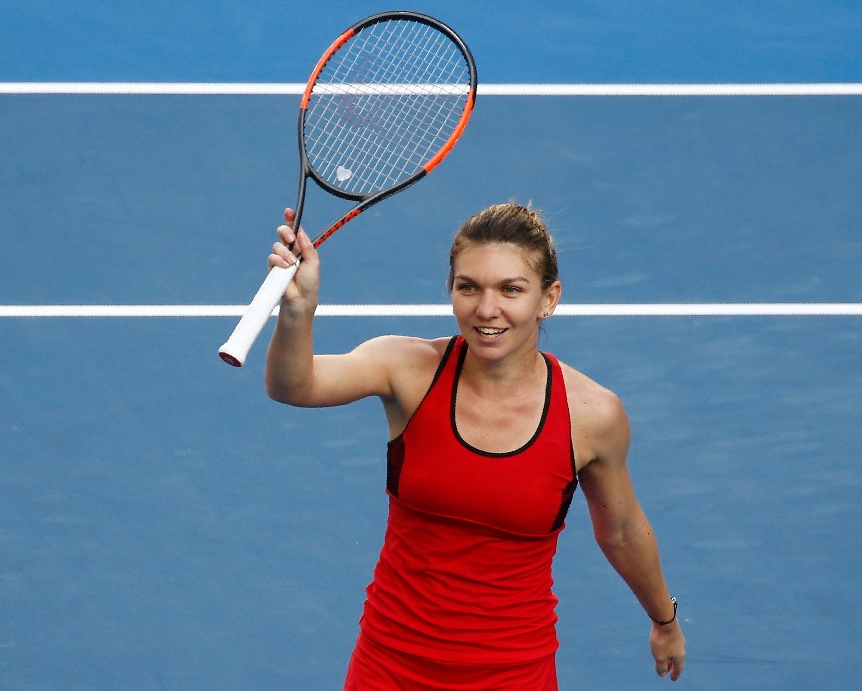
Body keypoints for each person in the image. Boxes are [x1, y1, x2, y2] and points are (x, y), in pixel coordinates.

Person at [264, 202, 686, 689]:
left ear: (549, 299)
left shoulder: (591, 415)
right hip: (389, 667)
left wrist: (664, 620)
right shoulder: (405, 368)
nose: (487, 309)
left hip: (513, 675)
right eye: (469, 287)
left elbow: (621, 530)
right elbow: (294, 387)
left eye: (511, 289)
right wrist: (297, 310)